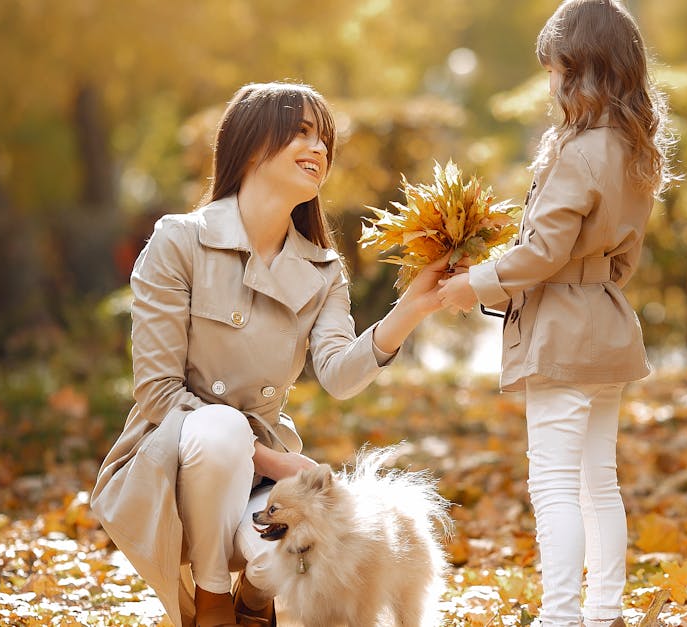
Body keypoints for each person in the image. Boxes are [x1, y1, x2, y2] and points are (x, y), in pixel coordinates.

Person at [91, 82, 449, 627]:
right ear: (254, 144)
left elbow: (338, 375)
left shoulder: (323, 269)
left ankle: (255, 599)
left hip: (261, 483)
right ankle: (212, 598)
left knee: (291, 554)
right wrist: (275, 461)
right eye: (302, 133)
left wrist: (414, 307)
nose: (320, 149)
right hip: (176, 464)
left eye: (324, 139)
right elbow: (158, 391)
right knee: (222, 431)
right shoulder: (179, 241)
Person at [438, 1, 677, 625]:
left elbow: (544, 249)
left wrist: (477, 283)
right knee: (599, 478)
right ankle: (603, 610)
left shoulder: (578, 152)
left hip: (563, 335)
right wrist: (590, 281)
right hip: (607, 320)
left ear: (583, 71)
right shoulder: (633, 148)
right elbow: (623, 257)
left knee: (553, 483)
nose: (549, 83)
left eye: (556, 69)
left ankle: (562, 615)